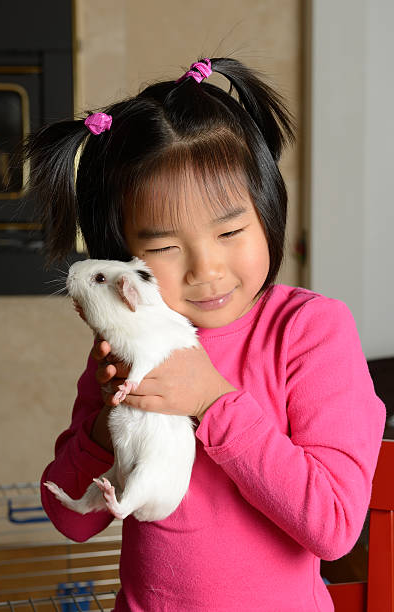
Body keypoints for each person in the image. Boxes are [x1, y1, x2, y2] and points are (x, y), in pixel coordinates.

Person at [26, 57, 386, 611]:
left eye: (230, 230)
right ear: (123, 261)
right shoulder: (131, 346)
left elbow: (334, 526)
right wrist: (104, 423)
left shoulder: (309, 331)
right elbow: (70, 520)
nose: (205, 269)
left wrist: (212, 402)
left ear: (266, 211)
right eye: (165, 247)